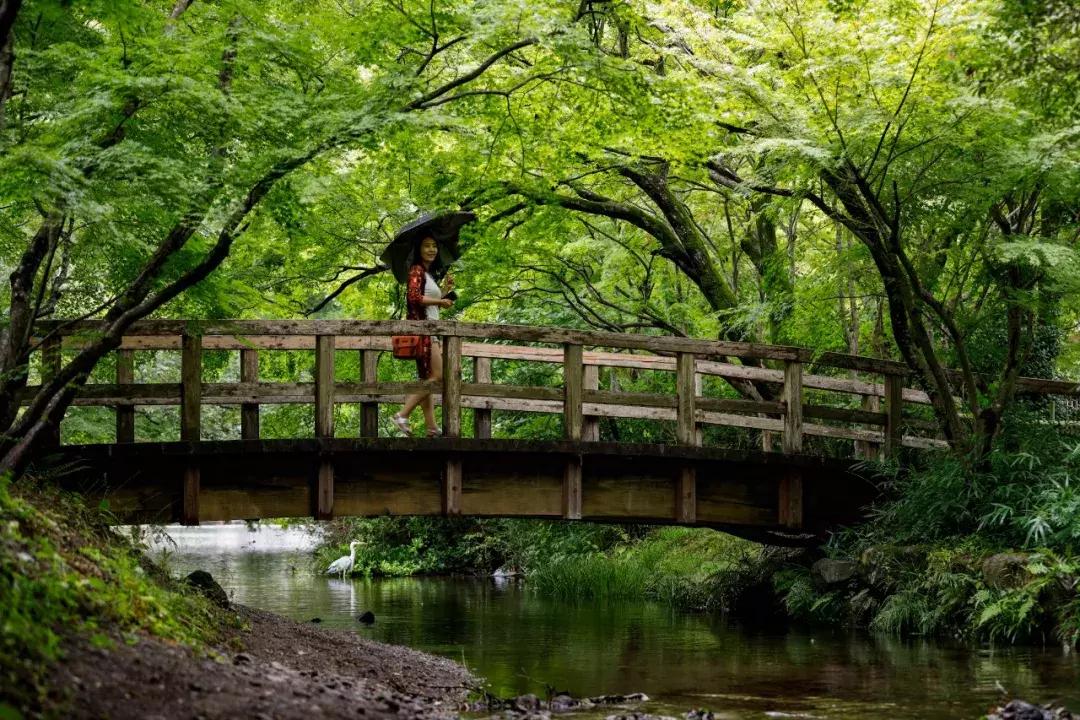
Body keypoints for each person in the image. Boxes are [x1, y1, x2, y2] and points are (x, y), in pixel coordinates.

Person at [392, 235, 454, 436]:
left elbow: (427, 300)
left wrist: (444, 293)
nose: (432, 249)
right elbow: (414, 298)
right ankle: (402, 414)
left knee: (427, 377)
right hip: (425, 331)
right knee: (438, 376)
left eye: (434, 246)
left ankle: (431, 427)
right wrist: (439, 302)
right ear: (418, 250)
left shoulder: (427, 274)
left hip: (429, 328)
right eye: (426, 245)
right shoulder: (416, 270)